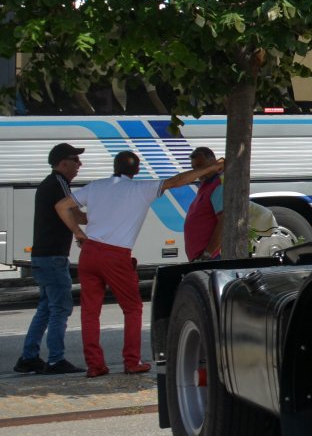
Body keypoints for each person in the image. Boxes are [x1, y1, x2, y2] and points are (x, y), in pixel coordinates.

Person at [56, 149, 224, 378]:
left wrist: (78, 232)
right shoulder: (140, 189)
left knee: (90, 311)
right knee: (132, 308)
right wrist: (211, 168)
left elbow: (62, 206)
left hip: (89, 253)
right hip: (116, 255)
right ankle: (131, 361)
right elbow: (178, 181)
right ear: (137, 170)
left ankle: (95, 365)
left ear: (115, 167)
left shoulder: (95, 187)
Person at [14, 143, 87, 375]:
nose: (79, 165)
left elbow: (75, 214)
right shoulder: (59, 183)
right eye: (75, 160)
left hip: (43, 256)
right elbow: (68, 211)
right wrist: (79, 230)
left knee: (46, 308)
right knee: (60, 308)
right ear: (62, 163)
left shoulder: (53, 183)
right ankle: (56, 360)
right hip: (53, 257)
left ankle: (29, 357)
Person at [182, 146, 225, 261]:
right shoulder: (206, 185)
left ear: (212, 162)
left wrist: (207, 254)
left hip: (209, 259)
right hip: (202, 258)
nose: (198, 172)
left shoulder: (218, 186)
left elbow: (224, 222)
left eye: (200, 166)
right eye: (194, 168)